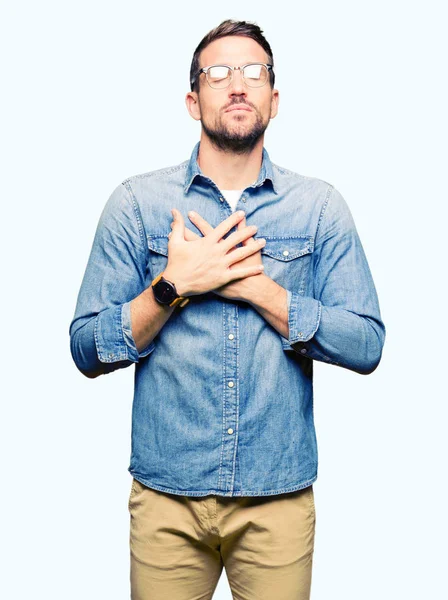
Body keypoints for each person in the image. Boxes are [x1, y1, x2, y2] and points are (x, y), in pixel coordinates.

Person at [69, 18, 386, 600]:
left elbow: (366, 343)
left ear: (274, 97)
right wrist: (172, 286)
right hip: (167, 500)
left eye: (253, 72)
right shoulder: (137, 204)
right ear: (193, 100)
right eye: (219, 74)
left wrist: (259, 289)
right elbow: (85, 348)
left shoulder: (319, 207)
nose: (237, 85)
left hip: (278, 500)